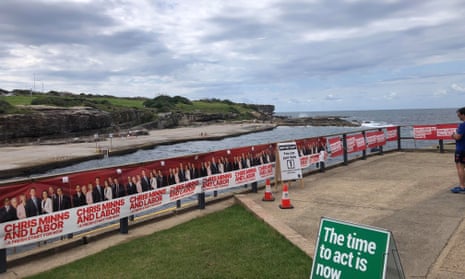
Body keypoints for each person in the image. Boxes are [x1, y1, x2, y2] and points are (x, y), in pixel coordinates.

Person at [451, 107, 465, 193]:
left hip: (461, 149)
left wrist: (453, 135)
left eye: (459, 115)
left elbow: (458, 137)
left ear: (463, 115)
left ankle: (462, 186)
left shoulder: (463, 125)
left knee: (460, 167)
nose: (458, 117)